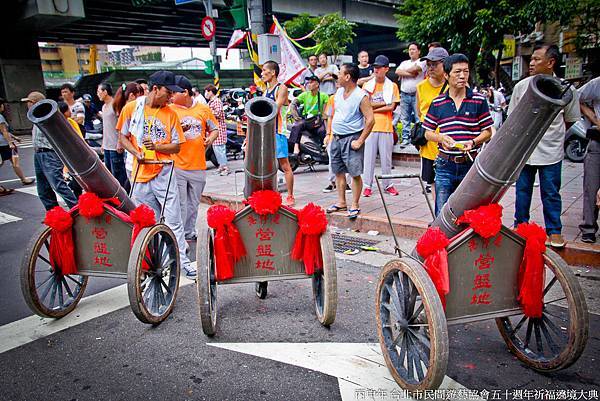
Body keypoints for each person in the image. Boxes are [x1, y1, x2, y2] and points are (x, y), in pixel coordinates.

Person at [116, 70, 196, 278]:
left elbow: (177, 146)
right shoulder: (132, 109)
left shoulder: (170, 114)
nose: (170, 97)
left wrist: (159, 146)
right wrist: (135, 152)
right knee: (145, 221)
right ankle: (148, 263)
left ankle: (182, 261)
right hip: (139, 172)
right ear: (155, 89)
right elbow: (122, 136)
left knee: (173, 219)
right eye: (168, 92)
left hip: (164, 172)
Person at [509, 44, 580, 248]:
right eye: (531, 59)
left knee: (550, 191)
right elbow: (513, 118)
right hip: (524, 151)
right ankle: (520, 226)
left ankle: (554, 231)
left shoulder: (566, 89)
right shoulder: (521, 87)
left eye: (537, 59)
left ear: (551, 63)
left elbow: (570, 119)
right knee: (522, 190)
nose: (531, 63)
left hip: (551, 151)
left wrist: (552, 135)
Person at [423, 53, 493, 216]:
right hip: (444, 165)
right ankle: (443, 241)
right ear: (446, 75)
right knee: (442, 212)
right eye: (457, 72)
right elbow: (427, 133)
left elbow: (488, 132)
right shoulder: (438, 102)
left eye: (466, 71)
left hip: (470, 164)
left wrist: (473, 142)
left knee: (469, 212)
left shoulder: (478, 100)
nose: (462, 76)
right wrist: (441, 138)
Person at [170, 75, 219, 240]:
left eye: (174, 93)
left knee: (193, 203)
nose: (171, 96)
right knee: (181, 204)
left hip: (198, 165)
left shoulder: (203, 110)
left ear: (185, 92)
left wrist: (210, 140)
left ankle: (189, 232)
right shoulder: (170, 110)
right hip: (177, 166)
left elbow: (214, 129)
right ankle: (179, 235)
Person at [326, 63, 375, 220]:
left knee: (354, 173)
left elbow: (370, 120)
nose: (337, 76)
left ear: (347, 77)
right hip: (337, 138)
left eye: (340, 73)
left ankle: (355, 204)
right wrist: (329, 134)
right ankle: (341, 202)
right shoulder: (339, 92)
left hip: (352, 138)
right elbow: (332, 114)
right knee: (338, 171)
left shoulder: (361, 96)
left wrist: (360, 141)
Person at [22, 91, 78, 210]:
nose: (27, 105)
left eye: (29, 102)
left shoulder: (45, 113)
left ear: (34, 103)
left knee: (58, 185)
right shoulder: (34, 115)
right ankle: (54, 213)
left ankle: (78, 210)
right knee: (43, 189)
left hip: (49, 153)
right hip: (39, 153)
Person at [361, 55, 400, 197]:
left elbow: (392, 107)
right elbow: (365, 105)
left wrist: (373, 108)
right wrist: (384, 103)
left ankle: (388, 185)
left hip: (386, 126)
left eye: (379, 67)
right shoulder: (367, 85)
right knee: (368, 158)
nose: (376, 70)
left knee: (386, 159)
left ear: (386, 69)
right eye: (375, 67)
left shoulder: (392, 86)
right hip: (370, 126)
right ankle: (367, 185)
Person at [261, 60, 295, 206]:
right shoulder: (265, 91)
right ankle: (272, 194)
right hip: (267, 133)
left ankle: (290, 196)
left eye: (264, 70)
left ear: (273, 72)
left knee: (284, 165)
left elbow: (275, 107)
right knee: (269, 166)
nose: (262, 74)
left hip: (278, 131)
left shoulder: (281, 88)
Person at [416, 47, 449, 195]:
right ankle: (438, 216)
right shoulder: (421, 87)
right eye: (428, 64)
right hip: (429, 143)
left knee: (450, 182)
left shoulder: (453, 86)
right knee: (434, 183)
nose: (430, 68)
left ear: (445, 64)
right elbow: (419, 112)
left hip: (449, 142)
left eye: (434, 64)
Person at [577, 76, 600, 243]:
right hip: (598, 141)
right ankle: (589, 228)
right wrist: (594, 119)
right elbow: (575, 98)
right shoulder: (597, 83)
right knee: (591, 187)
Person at [98, 82, 128, 190]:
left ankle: (124, 195)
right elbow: (106, 127)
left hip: (115, 146)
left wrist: (120, 141)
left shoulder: (115, 105)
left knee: (118, 174)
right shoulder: (104, 106)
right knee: (110, 173)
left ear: (105, 92)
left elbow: (121, 125)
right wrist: (103, 143)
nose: (98, 94)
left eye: (99, 91)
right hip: (107, 145)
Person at [0, 98, 34, 194]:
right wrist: (11, 143)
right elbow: (4, 131)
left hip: (3, 143)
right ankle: (23, 179)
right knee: (15, 161)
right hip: (4, 144)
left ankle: (23, 178)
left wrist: (14, 137)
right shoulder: (0, 117)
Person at [396, 43, 427, 146]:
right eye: (410, 49)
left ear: (419, 51)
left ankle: (418, 138)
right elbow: (397, 71)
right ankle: (405, 139)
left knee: (418, 118)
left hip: (417, 94)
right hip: (404, 94)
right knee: (405, 118)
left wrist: (404, 72)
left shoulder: (422, 61)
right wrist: (411, 74)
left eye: (413, 49)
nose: (411, 51)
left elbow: (416, 69)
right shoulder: (404, 62)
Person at [288, 75, 328, 155]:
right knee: (297, 126)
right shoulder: (305, 95)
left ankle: (324, 149)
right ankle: (296, 146)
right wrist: (295, 116)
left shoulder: (324, 96)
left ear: (317, 84)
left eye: (312, 82)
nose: (309, 84)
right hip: (306, 120)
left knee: (322, 131)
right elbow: (293, 104)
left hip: (317, 121)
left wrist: (324, 122)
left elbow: (325, 113)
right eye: (308, 83)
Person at [113, 82, 144, 180]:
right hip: (134, 155)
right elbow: (123, 134)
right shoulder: (130, 109)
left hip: (131, 155)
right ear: (132, 95)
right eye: (141, 94)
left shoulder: (122, 108)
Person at [57, 101, 84, 198]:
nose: (70, 111)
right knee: (73, 180)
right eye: (68, 110)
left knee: (77, 181)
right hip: (67, 157)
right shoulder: (59, 125)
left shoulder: (71, 122)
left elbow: (80, 138)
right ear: (63, 112)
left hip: (75, 156)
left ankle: (77, 198)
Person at [204, 84, 229, 176]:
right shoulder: (210, 102)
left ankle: (225, 167)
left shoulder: (216, 101)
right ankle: (221, 166)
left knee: (220, 149)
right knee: (216, 149)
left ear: (211, 92)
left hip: (219, 129)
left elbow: (218, 113)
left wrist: (208, 113)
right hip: (213, 129)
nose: (205, 93)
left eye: (206, 91)